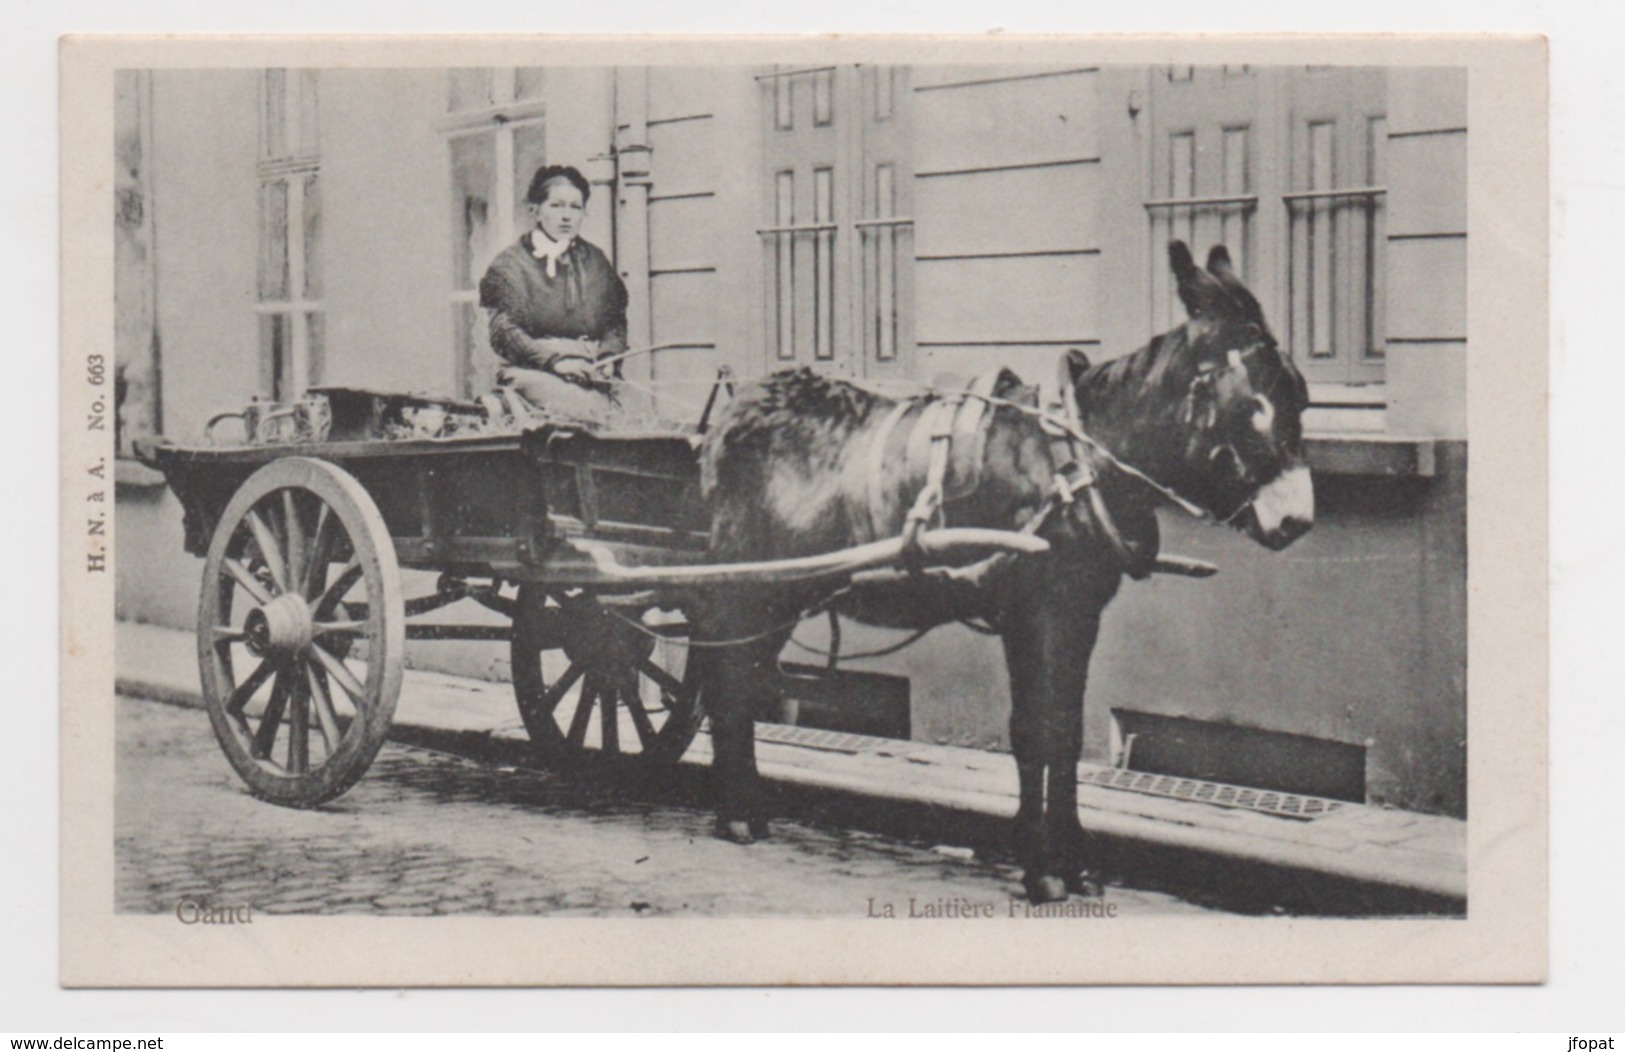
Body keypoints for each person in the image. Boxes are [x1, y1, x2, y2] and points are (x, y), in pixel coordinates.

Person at [479, 164, 650, 429]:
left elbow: (614, 321)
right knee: (594, 416)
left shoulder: (596, 261)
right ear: (536, 210)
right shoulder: (510, 265)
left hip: (591, 371)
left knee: (640, 415)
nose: (566, 216)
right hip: (534, 371)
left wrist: (607, 358)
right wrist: (556, 362)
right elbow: (504, 332)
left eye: (575, 207)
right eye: (556, 206)